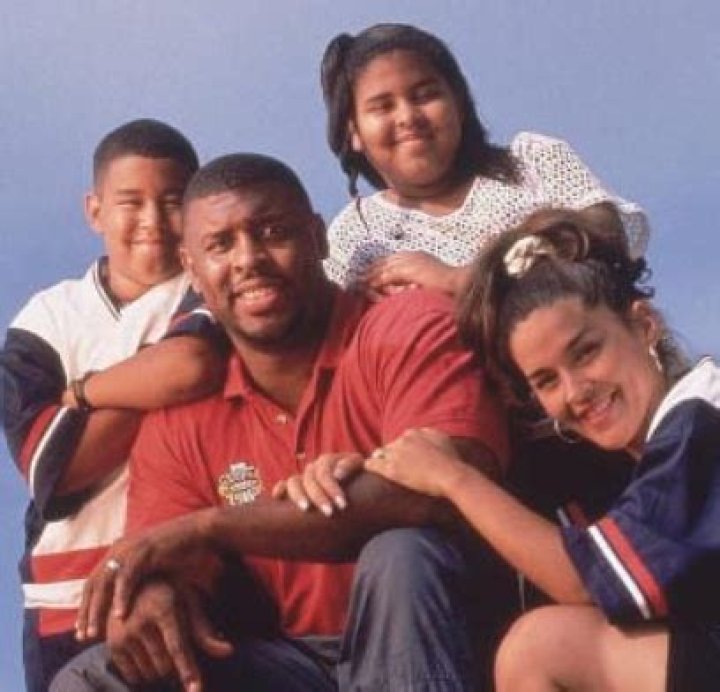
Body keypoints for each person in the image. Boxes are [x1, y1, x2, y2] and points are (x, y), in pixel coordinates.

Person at [52, 153, 510, 691]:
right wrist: (155, 593)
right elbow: (164, 555)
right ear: (192, 268)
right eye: (220, 245)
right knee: (92, 679)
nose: (248, 259)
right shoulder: (181, 416)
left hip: (446, 642)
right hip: (293, 662)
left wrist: (210, 524)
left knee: (402, 553)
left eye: (272, 232)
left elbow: (442, 490)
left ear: (318, 237)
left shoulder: (406, 324)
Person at [321, 207, 719, 691]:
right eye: (546, 380)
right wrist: (359, 472)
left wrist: (453, 477)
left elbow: (585, 582)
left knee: (540, 646)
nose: (575, 392)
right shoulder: (618, 456)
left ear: (644, 325)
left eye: (587, 351)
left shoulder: (700, 416)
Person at [0, 119, 222, 692]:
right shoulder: (47, 318)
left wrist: (84, 393)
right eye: (131, 202)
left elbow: (191, 366)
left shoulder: (211, 286)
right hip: (65, 596)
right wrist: (155, 383)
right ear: (95, 211)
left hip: (187, 576)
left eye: (172, 201)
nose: (152, 220)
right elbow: (54, 470)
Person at [320, 22, 649, 298]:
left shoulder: (532, 160)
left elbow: (608, 234)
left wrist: (462, 279)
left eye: (425, 95)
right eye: (383, 106)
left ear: (460, 105)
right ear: (353, 132)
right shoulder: (355, 236)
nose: (408, 117)